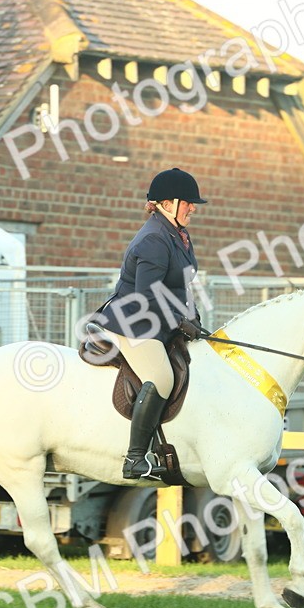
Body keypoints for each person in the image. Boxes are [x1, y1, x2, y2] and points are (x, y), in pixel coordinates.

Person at [94, 168, 206, 480]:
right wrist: (180, 321)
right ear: (167, 204)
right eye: (188, 203)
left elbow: (182, 286)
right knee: (162, 378)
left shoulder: (178, 235)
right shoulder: (155, 239)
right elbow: (147, 296)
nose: (193, 208)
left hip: (159, 320)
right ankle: (134, 458)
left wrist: (195, 319)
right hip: (135, 322)